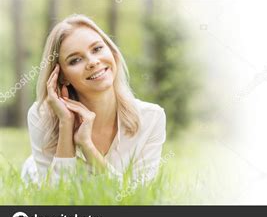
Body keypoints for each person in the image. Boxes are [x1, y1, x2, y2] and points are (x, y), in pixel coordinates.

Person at [21, 14, 166, 184]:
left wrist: (87, 146)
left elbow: (137, 197)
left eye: (97, 49)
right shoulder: (42, 116)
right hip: (33, 179)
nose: (92, 62)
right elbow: (57, 199)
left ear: (112, 52)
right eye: (75, 60)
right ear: (62, 77)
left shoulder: (151, 117)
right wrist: (66, 124)